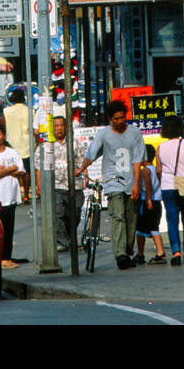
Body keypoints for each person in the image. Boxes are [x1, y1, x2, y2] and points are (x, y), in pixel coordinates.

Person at [77, 100, 145, 271]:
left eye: (122, 118)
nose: (120, 121)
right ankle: (120, 254)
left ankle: (128, 250)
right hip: (112, 181)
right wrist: (81, 168)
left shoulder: (135, 133)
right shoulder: (104, 134)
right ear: (110, 119)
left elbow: (137, 160)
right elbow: (91, 153)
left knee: (131, 218)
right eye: (116, 119)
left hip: (131, 180)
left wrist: (137, 183)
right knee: (118, 216)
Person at [35, 115, 89, 252]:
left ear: (66, 127)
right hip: (55, 186)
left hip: (74, 185)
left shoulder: (75, 143)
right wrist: (39, 185)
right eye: (56, 126)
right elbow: (38, 166)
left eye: (61, 125)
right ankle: (65, 242)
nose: (59, 128)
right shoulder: (46, 144)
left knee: (75, 213)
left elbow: (83, 161)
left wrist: (86, 176)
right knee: (58, 214)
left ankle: (69, 237)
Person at [156, 115, 184, 266]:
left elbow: (158, 170)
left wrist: (163, 179)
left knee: (172, 220)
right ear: (180, 127)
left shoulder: (160, 148)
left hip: (168, 186)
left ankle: (176, 253)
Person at [0, 126, 26, 270]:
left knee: (9, 229)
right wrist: (12, 168)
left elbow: (21, 170)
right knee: (0, 229)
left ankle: (7, 257)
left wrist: (5, 170)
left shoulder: (12, 152)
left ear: (4, 135)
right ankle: (1, 258)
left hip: (12, 196)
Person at [135, 144, 166, 265]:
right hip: (157, 201)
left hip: (147, 202)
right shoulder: (156, 170)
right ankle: (156, 253)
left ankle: (156, 253)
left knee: (142, 229)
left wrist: (147, 199)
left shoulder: (145, 171)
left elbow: (147, 185)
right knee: (153, 227)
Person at [1, 89, 32, 202]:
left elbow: (2, 127)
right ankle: (26, 195)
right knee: (26, 171)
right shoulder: (30, 110)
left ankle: (15, 195)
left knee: (12, 172)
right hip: (27, 144)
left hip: (11, 145)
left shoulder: (6, 111)